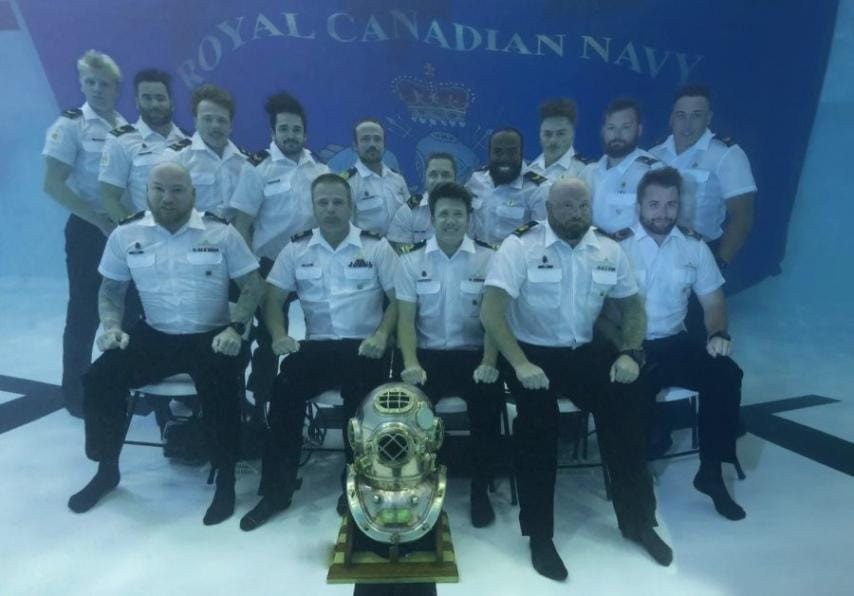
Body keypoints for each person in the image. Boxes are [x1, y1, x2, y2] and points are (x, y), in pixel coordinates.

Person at [480, 177, 671, 581]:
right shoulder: (520, 246)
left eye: (583, 206)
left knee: (627, 408)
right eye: (566, 206)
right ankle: (540, 536)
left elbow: (633, 308)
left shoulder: (608, 249)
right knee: (537, 425)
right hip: (531, 351)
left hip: (584, 350)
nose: (576, 214)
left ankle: (639, 522)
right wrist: (520, 364)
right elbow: (491, 312)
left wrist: (630, 352)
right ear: (548, 209)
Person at [66, 162, 264, 525]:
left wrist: (236, 329)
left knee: (221, 384)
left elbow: (252, 285)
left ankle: (226, 480)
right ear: (146, 192)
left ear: (193, 194)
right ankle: (106, 469)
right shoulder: (126, 234)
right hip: (155, 334)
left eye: (177, 190)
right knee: (100, 377)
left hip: (212, 334)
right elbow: (111, 289)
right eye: (159, 189)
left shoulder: (221, 233)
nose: (167, 198)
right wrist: (111, 326)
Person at [240, 173, 398, 531]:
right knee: (283, 393)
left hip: (364, 346)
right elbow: (273, 299)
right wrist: (279, 334)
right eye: (322, 203)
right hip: (317, 346)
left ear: (351, 206)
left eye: (337, 202)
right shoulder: (296, 249)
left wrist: (382, 334)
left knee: (360, 401)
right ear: (313, 207)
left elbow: (398, 300)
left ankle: (357, 485)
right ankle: (276, 491)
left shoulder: (376, 247)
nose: (330, 209)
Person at [611, 167, 746, 521]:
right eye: (654, 204)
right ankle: (633, 479)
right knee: (631, 396)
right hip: (631, 346)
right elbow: (601, 309)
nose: (663, 212)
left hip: (675, 341)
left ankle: (711, 472)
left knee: (726, 374)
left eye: (671, 204)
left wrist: (717, 334)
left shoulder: (693, 246)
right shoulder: (616, 247)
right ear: (639, 206)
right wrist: (623, 349)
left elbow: (713, 302)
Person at [395, 181, 504, 528]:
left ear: (469, 218)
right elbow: (406, 321)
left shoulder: (489, 258)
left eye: (458, 214)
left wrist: (489, 362)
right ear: (432, 218)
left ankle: (479, 490)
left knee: (488, 409)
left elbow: (495, 320)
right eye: (444, 214)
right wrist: (410, 363)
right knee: (410, 413)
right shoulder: (411, 261)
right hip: (426, 356)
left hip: (475, 354)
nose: (451, 220)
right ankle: (416, 486)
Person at [229, 91, 329, 413]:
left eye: (296, 129)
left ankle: (308, 393)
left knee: (323, 331)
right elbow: (242, 224)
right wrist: (249, 273)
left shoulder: (319, 169)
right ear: (273, 132)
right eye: (283, 129)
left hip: (311, 265)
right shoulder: (258, 169)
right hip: (269, 266)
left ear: (306, 134)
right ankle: (260, 408)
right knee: (268, 339)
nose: (290, 135)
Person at [42, 49, 128, 417]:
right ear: (81, 84)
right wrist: (97, 221)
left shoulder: (124, 126)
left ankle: (119, 384)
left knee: (125, 310)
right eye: (90, 82)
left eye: (104, 84)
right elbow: (52, 184)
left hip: (121, 228)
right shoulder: (70, 126)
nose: (97, 89)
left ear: (116, 88)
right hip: (88, 229)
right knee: (83, 312)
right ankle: (76, 396)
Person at [649, 84, 756, 268]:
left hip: (699, 255)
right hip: (651, 254)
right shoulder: (653, 155)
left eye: (696, 115)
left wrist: (718, 265)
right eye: (681, 115)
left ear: (709, 118)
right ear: (671, 118)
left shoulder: (726, 155)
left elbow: (742, 217)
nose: (687, 124)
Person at [99, 68, 188, 222]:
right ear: (137, 103)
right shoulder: (121, 141)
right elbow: (109, 197)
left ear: (171, 103)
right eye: (147, 98)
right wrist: (135, 232)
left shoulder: (190, 141)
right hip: (148, 232)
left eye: (160, 98)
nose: (154, 104)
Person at [161, 84, 253, 218]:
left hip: (234, 231)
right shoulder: (176, 158)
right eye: (208, 119)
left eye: (222, 120)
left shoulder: (245, 161)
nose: (215, 126)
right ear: (195, 122)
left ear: (231, 125)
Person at [582, 98, 662, 234]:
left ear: (639, 130)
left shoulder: (652, 173)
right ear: (603, 131)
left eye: (625, 128)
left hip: (631, 248)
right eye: (611, 128)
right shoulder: (589, 172)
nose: (617, 135)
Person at [465, 128, 550, 245]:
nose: (504, 158)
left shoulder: (537, 189)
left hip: (515, 255)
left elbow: (541, 237)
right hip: (476, 252)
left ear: (521, 153)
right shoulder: (476, 179)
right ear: (489, 153)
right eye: (498, 152)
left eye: (512, 152)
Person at [342, 118, 409, 235]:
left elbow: (411, 216)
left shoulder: (398, 179)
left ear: (384, 145)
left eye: (377, 139)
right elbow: (346, 229)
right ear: (355, 146)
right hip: (366, 246)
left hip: (401, 244)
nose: (372, 144)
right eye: (365, 139)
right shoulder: (347, 183)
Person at [386, 152, 457, 247]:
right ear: (425, 178)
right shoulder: (409, 211)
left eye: (445, 175)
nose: (439, 180)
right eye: (433, 175)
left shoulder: (469, 211)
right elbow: (400, 248)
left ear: (455, 179)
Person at [527, 98, 590, 181]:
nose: (553, 140)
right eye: (547, 134)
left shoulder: (585, 171)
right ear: (540, 135)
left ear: (573, 134)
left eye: (561, 134)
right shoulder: (528, 170)